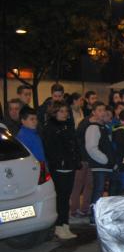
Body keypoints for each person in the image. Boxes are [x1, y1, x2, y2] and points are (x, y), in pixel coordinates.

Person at [42, 101, 80, 240]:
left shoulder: (67, 126)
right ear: (54, 112)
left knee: (66, 197)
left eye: (66, 111)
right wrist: (60, 161)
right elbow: (51, 149)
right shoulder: (50, 128)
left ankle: (65, 224)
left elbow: (74, 144)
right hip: (59, 167)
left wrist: (76, 161)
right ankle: (59, 225)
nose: (65, 114)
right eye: (61, 111)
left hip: (69, 166)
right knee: (61, 197)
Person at [84, 102, 115, 225]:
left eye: (104, 110)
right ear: (94, 112)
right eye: (100, 110)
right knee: (98, 190)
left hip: (105, 166)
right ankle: (93, 216)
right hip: (99, 166)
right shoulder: (93, 128)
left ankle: (99, 215)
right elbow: (91, 148)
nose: (103, 113)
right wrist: (105, 160)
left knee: (102, 191)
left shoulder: (103, 127)